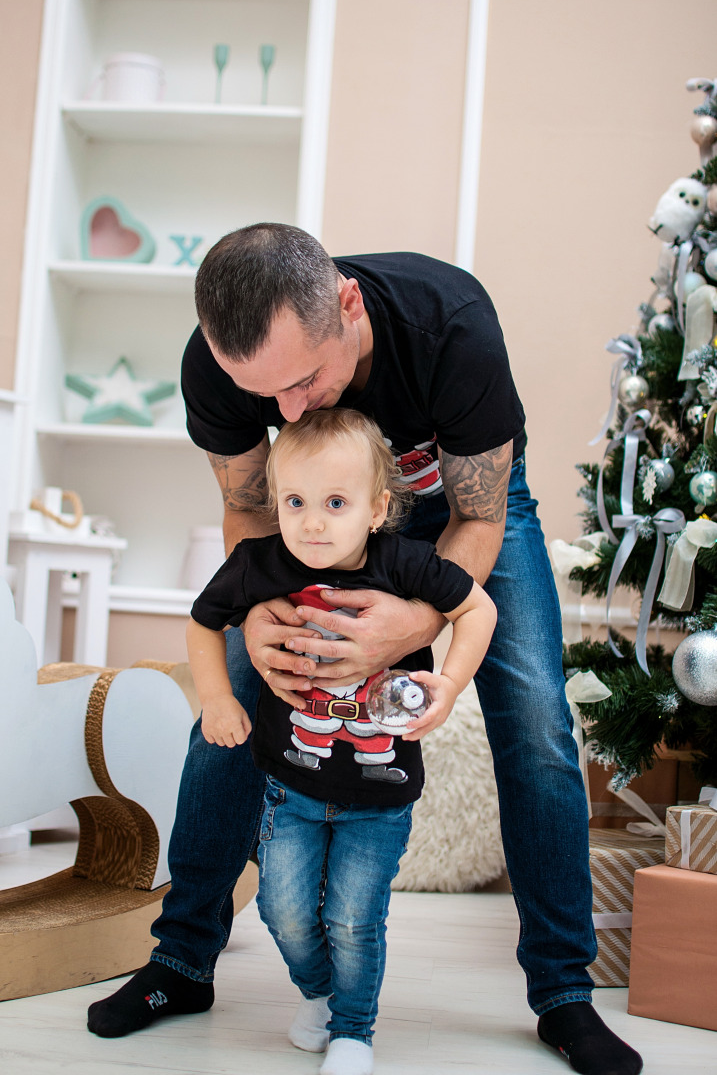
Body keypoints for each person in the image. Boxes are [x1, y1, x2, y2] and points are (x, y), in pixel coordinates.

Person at [88, 223, 643, 1075]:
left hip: (461, 510)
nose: (289, 412)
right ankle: (182, 962)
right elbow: (247, 507)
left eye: (306, 381)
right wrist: (264, 615)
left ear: (347, 305)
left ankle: (562, 994)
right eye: (264, 396)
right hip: (317, 517)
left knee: (534, 725)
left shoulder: (449, 325)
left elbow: (481, 516)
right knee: (231, 700)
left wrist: (417, 621)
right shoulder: (223, 364)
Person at [186, 407, 496, 1075]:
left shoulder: (408, 564)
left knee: (355, 921)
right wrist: (215, 696)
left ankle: (354, 1030)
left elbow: (478, 607)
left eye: (334, 502)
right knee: (283, 909)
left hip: (378, 797)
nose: (313, 522)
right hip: (290, 787)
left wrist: (448, 681)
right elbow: (202, 621)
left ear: (377, 508)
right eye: (295, 501)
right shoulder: (262, 565)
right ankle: (320, 993)